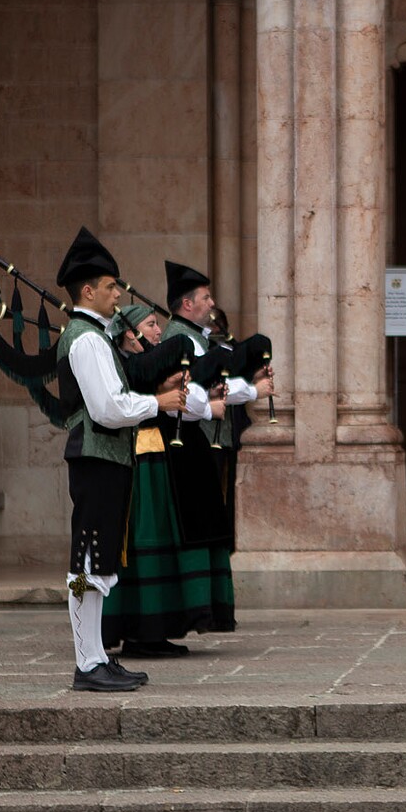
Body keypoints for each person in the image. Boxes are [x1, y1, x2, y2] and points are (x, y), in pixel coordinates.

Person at [53, 228, 187, 693]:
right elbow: (109, 407)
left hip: (106, 457)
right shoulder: (86, 339)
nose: (118, 293)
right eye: (111, 286)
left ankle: (95, 657)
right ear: (88, 291)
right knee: (87, 561)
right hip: (95, 457)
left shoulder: (97, 336)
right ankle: (87, 663)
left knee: (98, 561)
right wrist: (160, 403)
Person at [158, 260, 270, 646]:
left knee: (207, 526)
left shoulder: (196, 337)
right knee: (194, 530)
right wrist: (246, 393)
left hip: (200, 444)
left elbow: (216, 384)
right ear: (187, 304)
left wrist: (251, 390)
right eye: (206, 297)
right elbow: (194, 393)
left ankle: (203, 611)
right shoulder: (182, 340)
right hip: (186, 446)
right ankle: (193, 611)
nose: (212, 303)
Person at [101, 301, 219, 658]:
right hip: (139, 462)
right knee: (144, 539)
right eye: (150, 325)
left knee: (163, 540)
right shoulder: (120, 363)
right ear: (128, 333)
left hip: (157, 459)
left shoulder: (148, 364)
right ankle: (141, 631)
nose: (157, 331)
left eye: (156, 324)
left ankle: (158, 627)